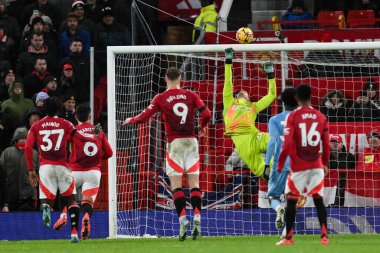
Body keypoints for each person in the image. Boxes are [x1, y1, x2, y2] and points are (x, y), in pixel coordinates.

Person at [123, 67, 211, 241]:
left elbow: (144, 117)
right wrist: (201, 127)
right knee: (194, 183)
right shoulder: (191, 95)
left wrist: (130, 120)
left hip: (174, 144)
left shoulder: (161, 98)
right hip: (191, 142)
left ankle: (183, 220)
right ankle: (198, 217)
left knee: (176, 185)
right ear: (181, 78)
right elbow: (207, 113)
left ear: (165, 79)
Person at [24, 96, 101, 243]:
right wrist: (94, 135)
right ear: (58, 108)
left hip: (45, 166)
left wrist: (30, 170)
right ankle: (73, 234)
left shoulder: (36, 126)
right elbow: (80, 137)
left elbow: (28, 147)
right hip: (63, 166)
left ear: (43, 109)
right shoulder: (65, 123)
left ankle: (46, 207)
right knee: (71, 201)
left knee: (47, 200)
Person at [276, 84, 330, 245]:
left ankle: (289, 238)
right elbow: (326, 144)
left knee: (291, 199)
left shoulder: (292, 117)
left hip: (299, 166)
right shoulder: (321, 116)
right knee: (318, 200)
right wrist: (325, 163)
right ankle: (324, 236)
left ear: (297, 98)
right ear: (311, 97)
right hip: (316, 164)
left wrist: (280, 165)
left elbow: (286, 144)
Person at [55, 105, 113, 240]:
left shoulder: (74, 130)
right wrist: (98, 158)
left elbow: (63, 147)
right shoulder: (98, 132)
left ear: (76, 117)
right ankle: (86, 217)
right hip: (93, 172)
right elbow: (109, 153)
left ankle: (63, 215)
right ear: (90, 117)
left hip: (75, 170)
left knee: (68, 197)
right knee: (87, 201)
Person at [223, 48, 276, 180]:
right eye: (239, 92)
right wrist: (228, 61)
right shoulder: (229, 102)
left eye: (245, 92)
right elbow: (228, 82)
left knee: (279, 141)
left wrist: (271, 75)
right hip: (243, 142)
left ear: (248, 98)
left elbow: (272, 95)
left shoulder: (253, 106)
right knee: (264, 173)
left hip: (256, 135)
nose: (242, 91)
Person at [265, 88, 298, 231]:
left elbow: (272, 142)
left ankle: (278, 208)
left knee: (273, 195)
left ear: (283, 103)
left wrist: (267, 164)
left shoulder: (274, 119)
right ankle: (287, 231)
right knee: (292, 198)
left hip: (280, 164)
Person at [0, 128, 39, 212]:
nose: (23, 140)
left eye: (25, 138)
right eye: (21, 138)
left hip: (29, 196)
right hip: (11, 197)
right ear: (15, 140)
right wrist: (4, 202)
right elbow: (2, 172)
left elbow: (39, 173)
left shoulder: (35, 153)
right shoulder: (7, 152)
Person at [329, 134, 356, 206]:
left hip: (345, 187)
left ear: (342, 144)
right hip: (329, 187)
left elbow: (354, 174)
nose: (335, 144)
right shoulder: (324, 157)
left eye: (337, 142)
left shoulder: (349, 156)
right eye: (332, 142)